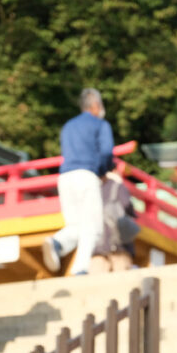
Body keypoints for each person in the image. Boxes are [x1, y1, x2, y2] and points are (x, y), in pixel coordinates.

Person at [42, 88, 114, 276]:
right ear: (96, 105)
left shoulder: (68, 126)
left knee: (75, 224)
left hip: (65, 177)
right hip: (87, 176)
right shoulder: (101, 125)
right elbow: (106, 152)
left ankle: (57, 242)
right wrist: (104, 171)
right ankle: (80, 268)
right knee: (93, 227)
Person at [90, 171, 139, 273]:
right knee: (122, 277)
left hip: (97, 245)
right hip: (118, 243)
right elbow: (127, 205)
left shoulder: (94, 190)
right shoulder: (118, 187)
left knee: (96, 280)